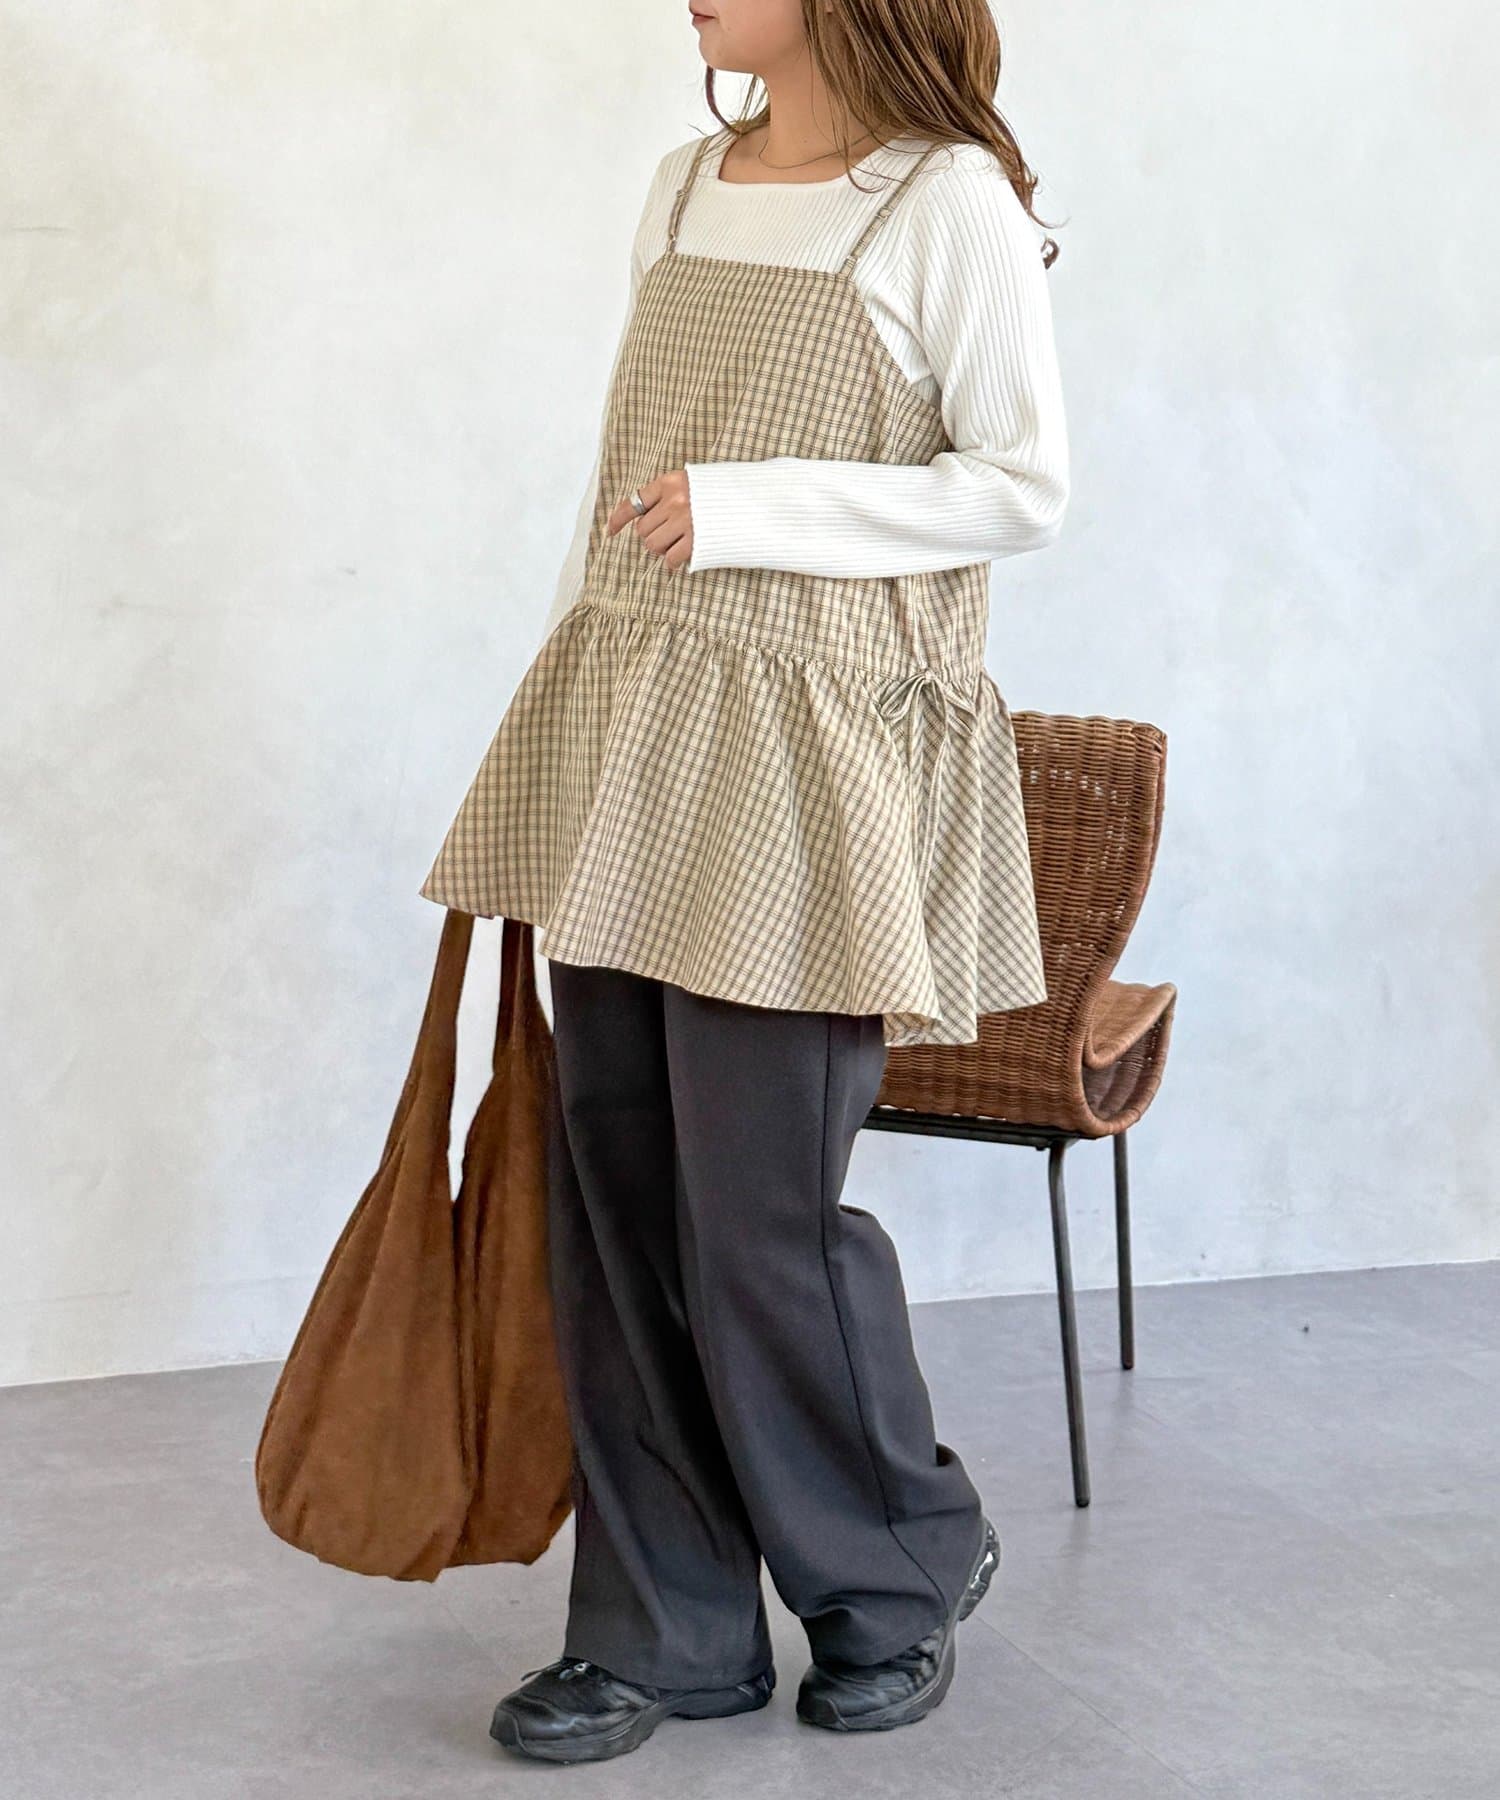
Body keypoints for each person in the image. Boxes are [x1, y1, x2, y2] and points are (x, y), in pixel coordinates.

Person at [418, 0, 1068, 1766]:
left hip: (810, 765)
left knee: (758, 1212)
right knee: (618, 1194)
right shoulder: (683, 183)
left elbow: (1022, 488)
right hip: (638, 729)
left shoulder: (944, 202)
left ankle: (895, 1569)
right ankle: (666, 1629)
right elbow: (621, 491)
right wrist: (568, 724)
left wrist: (751, 507)